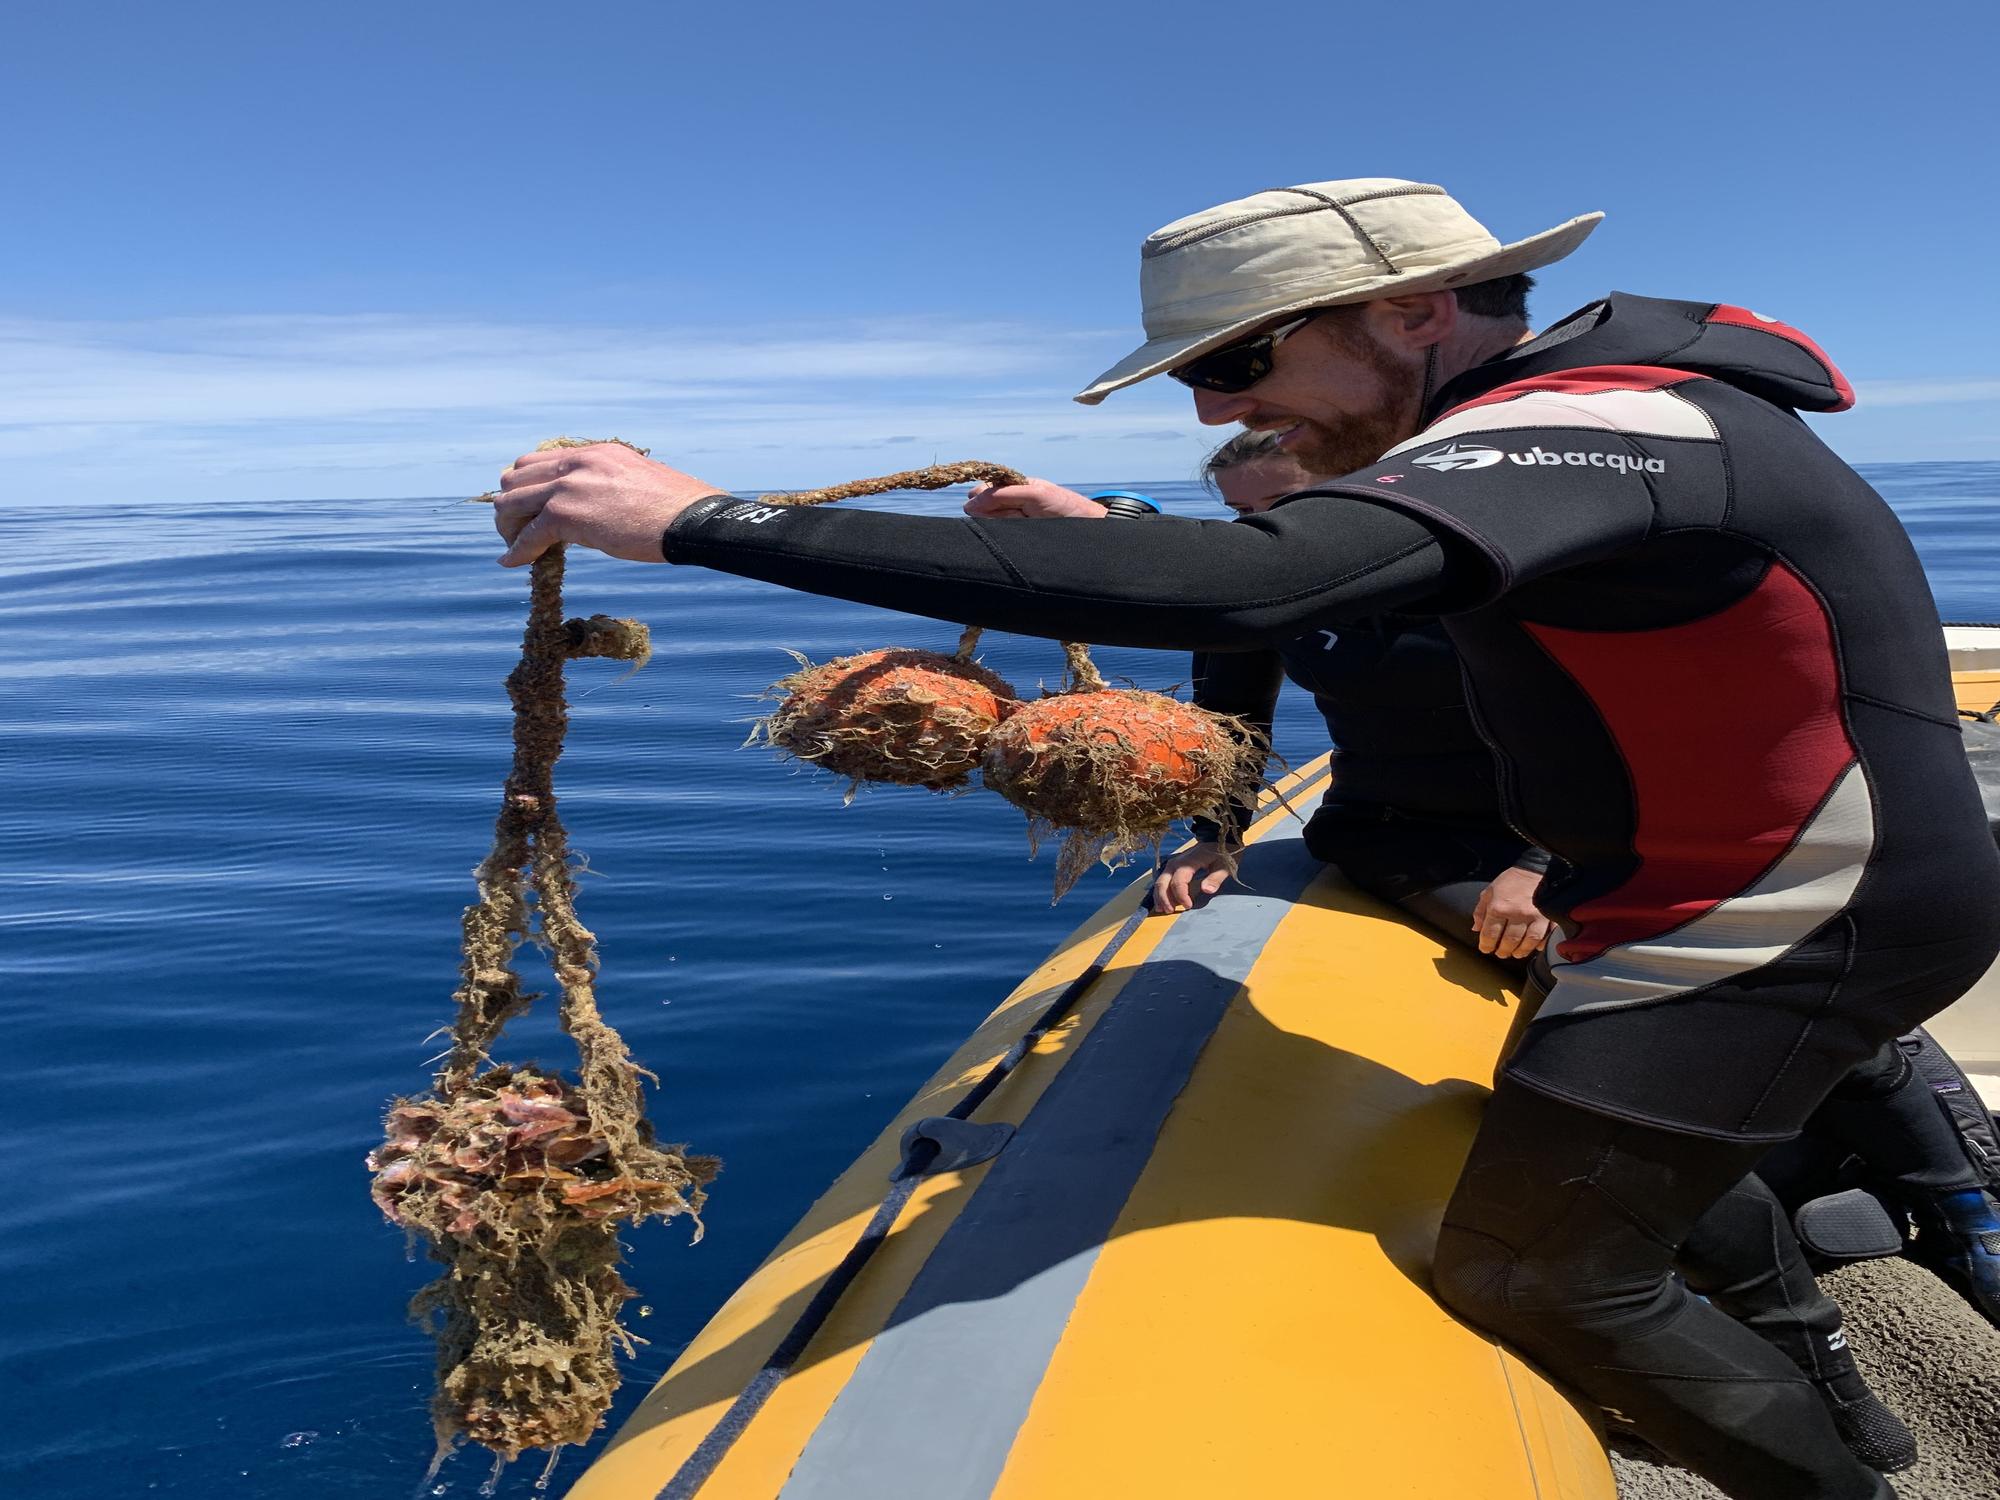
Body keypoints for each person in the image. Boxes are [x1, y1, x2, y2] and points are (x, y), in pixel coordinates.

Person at [489, 178, 2000, 1499]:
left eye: (1232, 360)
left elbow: (1264, 584)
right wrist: (1101, 536)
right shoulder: (1561, 425)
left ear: (1409, 310)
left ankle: (1843, 1461)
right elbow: (1323, 571)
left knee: (1537, 1267)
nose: (1213, 407)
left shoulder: (1602, 422)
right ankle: (1826, 1381)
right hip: (1694, 895)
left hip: (1790, 911)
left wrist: (704, 523)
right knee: (1606, 1160)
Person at [967, 431, 1554, 964]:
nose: (1269, 533)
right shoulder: (1267, 597)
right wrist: (1217, 837)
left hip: (1564, 833)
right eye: (1244, 515)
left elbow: (1622, 733)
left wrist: (1540, 866)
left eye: (1293, 506)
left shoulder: (1489, 583)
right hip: (1384, 832)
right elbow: (1233, 721)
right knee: (1543, 958)